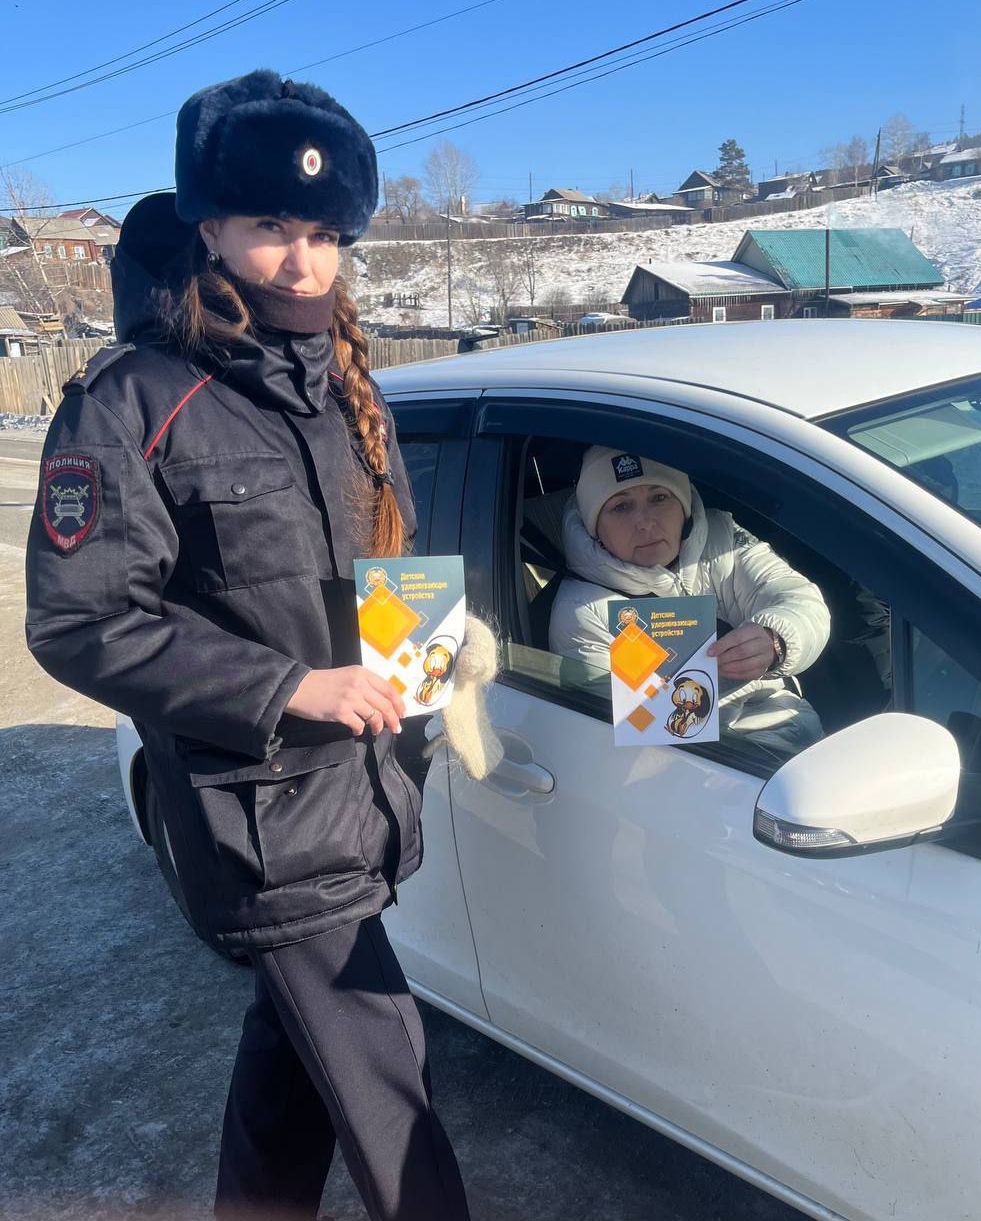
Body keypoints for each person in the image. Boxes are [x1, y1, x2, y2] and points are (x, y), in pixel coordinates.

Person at [25, 70, 470, 1221]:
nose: (301, 259)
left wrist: (439, 647)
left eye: (324, 233)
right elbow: (80, 620)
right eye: (271, 225)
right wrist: (290, 686)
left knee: (292, 1071)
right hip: (262, 813)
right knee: (392, 1094)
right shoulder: (133, 398)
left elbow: (382, 571)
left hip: (367, 789)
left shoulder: (349, 391)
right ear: (209, 227)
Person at [549, 446, 831, 760]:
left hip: (798, 729)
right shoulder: (584, 612)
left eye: (659, 498)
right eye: (621, 507)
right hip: (722, 765)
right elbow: (635, 738)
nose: (644, 522)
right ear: (594, 527)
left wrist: (777, 639)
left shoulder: (722, 541)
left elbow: (799, 599)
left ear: (683, 507)